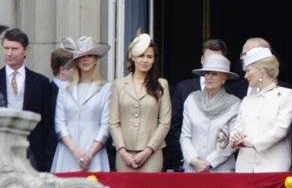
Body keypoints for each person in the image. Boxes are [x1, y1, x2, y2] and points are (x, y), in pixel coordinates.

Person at [0, 28, 57, 171]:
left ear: (25, 50)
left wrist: (46, 155)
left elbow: (48, 122)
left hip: (34, 152)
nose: (9, 53)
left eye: (14, 49)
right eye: (6, 48)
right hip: (0, 151)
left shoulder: (41, 83)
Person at [168, 39, 246, 170]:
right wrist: (194, 160)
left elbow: (231, 142)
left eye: (214, 73)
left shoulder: (235, 104)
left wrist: (209, 162)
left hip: (221, 169)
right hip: (193, 168)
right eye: (206, 73)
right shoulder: (191, 99)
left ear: (224, 78)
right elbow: (185, 136)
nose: (208, 77)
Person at [109, 33, 172, 172]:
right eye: (141, 55)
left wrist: (148, 150)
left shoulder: (162, 84)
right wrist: (122, 150)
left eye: (150, 57)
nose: (145, 60)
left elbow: (165, 122)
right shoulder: (119, 84)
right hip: (124, 154)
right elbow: (114, 122)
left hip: (152, 154)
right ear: (132, 57)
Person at [230, 46, 292, 173]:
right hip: (245, 168)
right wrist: (234, 137)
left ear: (261, 71)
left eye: (248, 71)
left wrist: (253, 143)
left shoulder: (287, 95)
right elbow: (237, 128)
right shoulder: (246, 100)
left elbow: (281, 129)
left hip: (273, 167)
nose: (245, 76)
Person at [51, 36, 112, 173]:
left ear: (96, 59)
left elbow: (105, 125)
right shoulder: (64, 89)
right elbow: (60, 123)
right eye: (82, 56)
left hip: (95, 154)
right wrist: (76, 152)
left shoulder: (105, 88)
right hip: (67, 153)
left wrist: (90, 154)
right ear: (76, 61)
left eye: (90, 55)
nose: (86, 59)